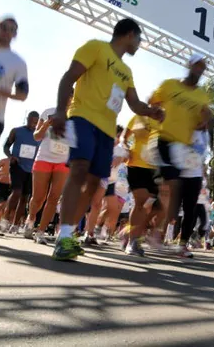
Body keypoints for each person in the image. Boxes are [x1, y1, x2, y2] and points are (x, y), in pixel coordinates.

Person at [50, 18, 164, 261]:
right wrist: (61, 111)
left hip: (106, 131)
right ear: (130, 34)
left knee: (93, 185)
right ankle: (64, 237)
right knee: (79, 169)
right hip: (81, 118)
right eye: (139, 39)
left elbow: (134, 103)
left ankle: (70, 236)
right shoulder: (95, 47)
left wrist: (151, 111)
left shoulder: (127, 71)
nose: (139, 44)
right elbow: (68, 77)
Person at [147, 54, 212, 256]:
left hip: (188, 153)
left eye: (203, 67)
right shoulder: (169, 85)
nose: (200, 70)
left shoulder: (202, 96)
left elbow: (207, 114)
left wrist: (206, 119)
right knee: (169, 191)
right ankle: (147, 231)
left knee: (190, 200)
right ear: (189, 65)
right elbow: (151, 102)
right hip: (166, 142)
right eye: (197, 65)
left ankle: (181, 244)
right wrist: (155, 112)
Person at [23, 97, 72, 243]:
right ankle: (30, 220)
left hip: (63, 162)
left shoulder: (77, 117)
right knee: (38, 197)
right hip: (44, 158)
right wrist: (46, 124)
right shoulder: (49, 112)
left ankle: (41, 232)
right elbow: (37, 136)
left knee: (53, 198)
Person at [122, 114, 163, 255]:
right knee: (141, 201)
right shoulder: (138, 117)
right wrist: (126, 147)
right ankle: (133, 241)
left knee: (157, 207)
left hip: (156, 168)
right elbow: (124, 137)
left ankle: (130, 231)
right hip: (137, 164)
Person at [0, 15, 29, 160]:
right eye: (4, 27)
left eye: (12, 29)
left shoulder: (17, 62)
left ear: (15, 34)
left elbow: (23, 95)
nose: (7, 31)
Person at [0, 111, 39, 234]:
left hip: (32, 168)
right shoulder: (16, 131)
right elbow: (6, 146)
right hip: (17, 165)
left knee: (25, 198)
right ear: (27, 119)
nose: (33, 124)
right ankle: (4, 221)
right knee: (16, 192)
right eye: (32, 121)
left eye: (36, 122)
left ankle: (15, 225)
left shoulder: (40, 135)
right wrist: (11, 156)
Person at [175, 128, 210, 258]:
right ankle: (144, 234)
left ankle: (182, 245)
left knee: (190, 213)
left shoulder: (206, 134)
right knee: (169, 211)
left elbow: (202, 155)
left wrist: (201, 176)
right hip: (178, 174)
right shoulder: (185, 125)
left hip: (195, 177)